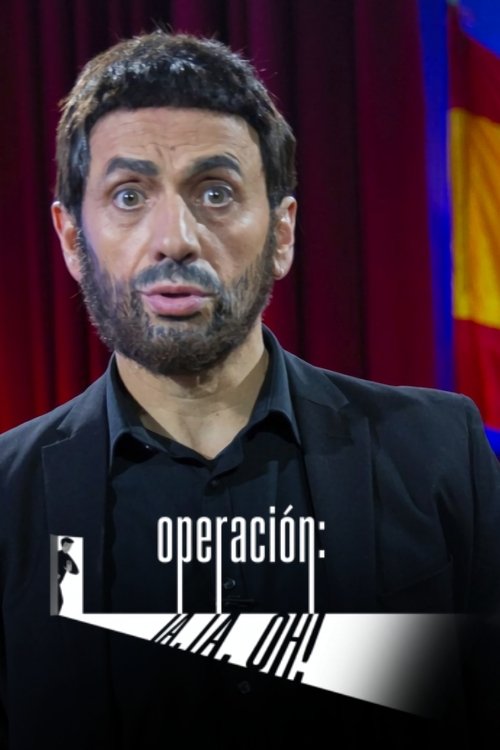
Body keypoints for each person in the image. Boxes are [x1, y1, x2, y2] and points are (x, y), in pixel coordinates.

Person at [0, 29, 499, 750]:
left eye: (215, 192)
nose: (175, 238)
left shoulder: (441, 453)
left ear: (282, 233)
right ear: (73, 239)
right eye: (129, 195)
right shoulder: (8, 500)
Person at [57, 536, 79, 613]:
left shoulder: (67, 557)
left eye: (70, 546)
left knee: (59, 601)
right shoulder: (55, 554)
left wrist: (70, 570)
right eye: (67, 545)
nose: (69, 548)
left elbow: (76, 571)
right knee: (59, 601)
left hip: (56, 583)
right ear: (63, 545)